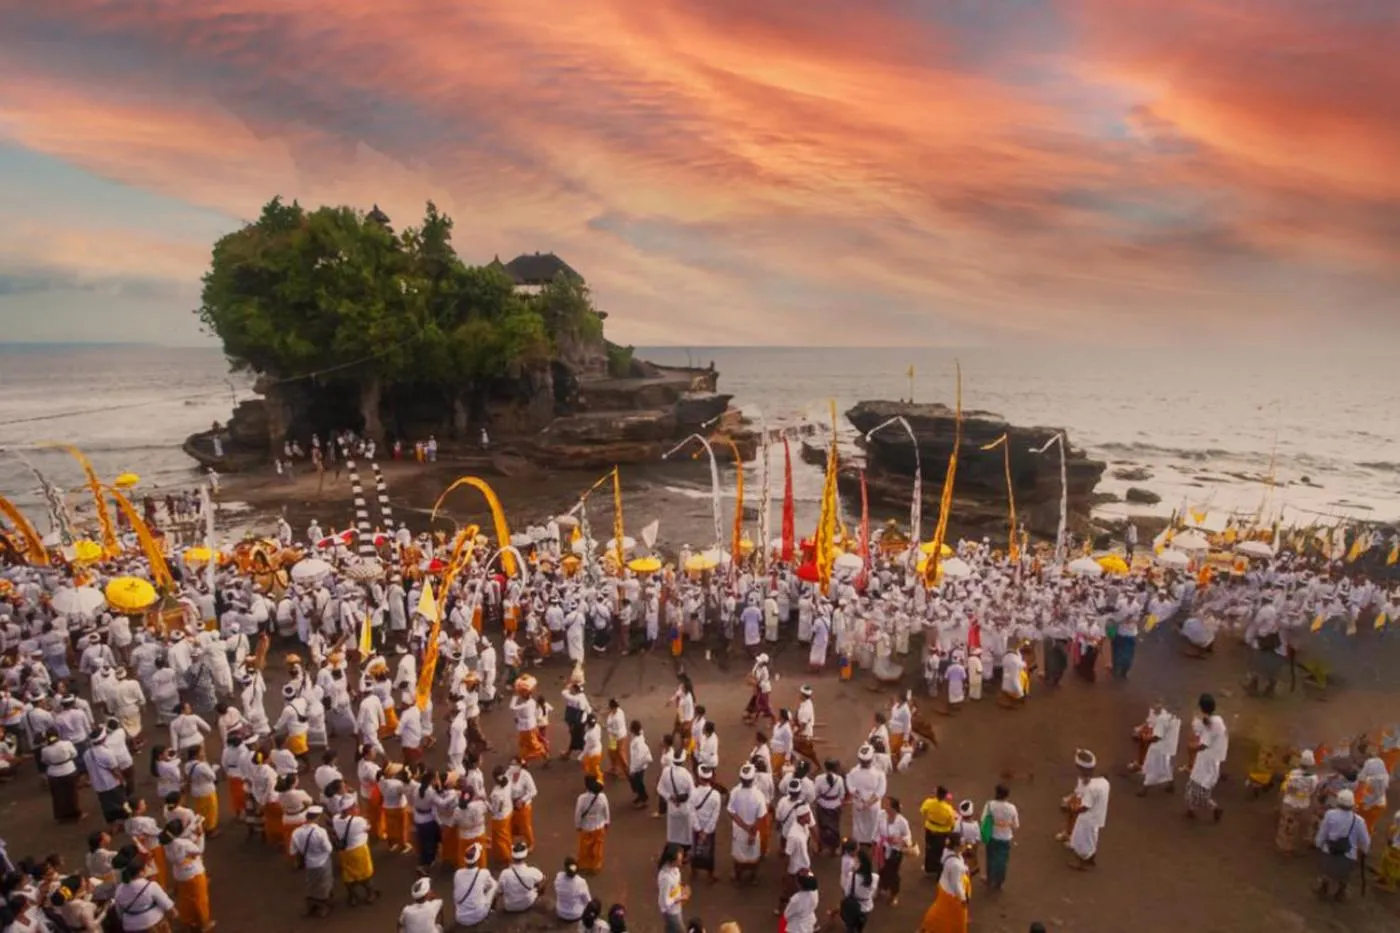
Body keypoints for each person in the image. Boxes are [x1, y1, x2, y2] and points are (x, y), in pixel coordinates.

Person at [1314, 789, 1370, 900]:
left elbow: (1323, 832)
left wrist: (1318, 843)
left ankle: (1323, 889)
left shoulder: (1330, 815)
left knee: (1326, 871)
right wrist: (1365, 850)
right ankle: (1341, 893)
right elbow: (1365, 840)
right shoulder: (1359, 821)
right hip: (1349, 854)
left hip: (1330, 850)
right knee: (1344, 876)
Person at [1061, 748, 1109, 870]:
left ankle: (1082, 864)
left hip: (1088, 819)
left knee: (1082, 842)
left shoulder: (1090, 787)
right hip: (1098, 815)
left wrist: (1069, 808)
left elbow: (1084, 807)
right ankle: (1091, 860)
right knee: (1092, 839)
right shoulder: (1102, 780)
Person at [1185, 694, 1227, 822]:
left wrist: (1192, 748)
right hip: (1209, 760)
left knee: (1199, 790)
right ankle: (1191, 809)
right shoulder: (1217, 720)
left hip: (1207, 761)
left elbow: (1203, 744)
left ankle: (1214, 808)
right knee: (1195, 787)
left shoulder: (1211, 724)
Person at [288, 805, 335, 917]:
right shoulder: (320, 832)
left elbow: (292, 851)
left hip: (309, 862)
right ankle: (322, 907)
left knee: (311, 883)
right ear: (317, 817)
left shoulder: (296, 832)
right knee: (324, 884)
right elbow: (329, 849)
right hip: (322, 861)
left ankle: (310, 904)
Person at [332, 803, 380, 907]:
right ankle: (370, 894)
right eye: (356, 807)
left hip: (344, 852)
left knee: (348, 876)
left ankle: (352, 896)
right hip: (359, 851)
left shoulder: (335, 819)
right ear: (350, 809)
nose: (358, 809)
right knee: (365, 875)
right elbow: (367, 827)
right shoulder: (358, 821)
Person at [111, 857, 176, 932]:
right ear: (141, 871)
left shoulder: (118, 890)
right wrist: (173, 912)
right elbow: (166, 904)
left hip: (131, 927)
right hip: (153, 923)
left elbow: (119, 912)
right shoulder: (151, 886)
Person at [919, 844, 971, 933]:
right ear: (956, 847)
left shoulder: (948, 853)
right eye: (962, 844)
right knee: (956, 916)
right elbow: (956, 884)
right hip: (952, 895)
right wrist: (963, 898)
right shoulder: (956, 865)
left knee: (939, 911)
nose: (964, 846)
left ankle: (927, 928)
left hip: (945, 889)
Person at [1276, 751, 1320, 855]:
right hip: (1303, 805)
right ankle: (1294, 847)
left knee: (1286, 825)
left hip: (1289, 804)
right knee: (1299, 826)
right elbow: (1313, 792)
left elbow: (1286, 788)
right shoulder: (1314, 778)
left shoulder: (1292, 773)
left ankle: (1284, 847)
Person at [38, 730, 83, 822]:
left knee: (58, 796)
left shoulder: (45, 749)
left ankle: (62, 816)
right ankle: (76, 814)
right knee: (72, 794)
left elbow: (44, 761)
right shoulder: (66, 744)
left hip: (53, 773)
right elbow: (74, 754)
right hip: (69, 770)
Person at [981, 785, 1019, 890]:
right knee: (1002, 860)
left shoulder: (989, 805)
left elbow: (983, 819)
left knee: (991, 859)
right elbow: (1016, 825)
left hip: (992, 836)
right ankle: (999, 882)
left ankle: (989, 879)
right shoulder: (1012, 808)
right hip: (1005, 837)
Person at [451, 844, 498, 928]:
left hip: (460, 917)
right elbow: (489, 886)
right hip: (478, 915)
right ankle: (491, 910)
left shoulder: (458, 873)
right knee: (494, 884)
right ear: (478, 859)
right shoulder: (484, 872)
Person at [877, 796, 912, 905]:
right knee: (881, 869)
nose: (884, 805)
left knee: (893, 873)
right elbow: (876, 831)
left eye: (887, 804)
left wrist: (899, 840)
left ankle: (894, 894)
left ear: (893, 808)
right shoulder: (881, 815)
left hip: (895, 850)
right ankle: (882, 886)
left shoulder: (902, 821)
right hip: (883, 847)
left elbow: (908, 836)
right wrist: (876, 844)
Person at [575, 776, 610, 873]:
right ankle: (595, 865)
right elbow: (606, 810)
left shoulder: (582, 798)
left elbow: (578, 813)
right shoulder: (603, 797)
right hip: (599, 825)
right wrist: (607, 821)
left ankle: (583, 864)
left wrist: (578, 825)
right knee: (598, 847)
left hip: (586, 826)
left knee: (584, 847)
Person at [499, 841, 545, 914]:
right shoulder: (532, 871)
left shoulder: (504, 873)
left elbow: (500, 891)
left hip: (509, 906)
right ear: (525, 856)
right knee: (542, 879)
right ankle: (538, 896)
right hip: (527, 903)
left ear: (513, 856)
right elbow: (543, 879)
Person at [919, 786, 956, 874]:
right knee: (940, 850)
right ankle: (938, 868)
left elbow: (922, 811)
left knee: (929, 848)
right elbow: (951, 823)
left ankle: (928, 867)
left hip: (930, 828)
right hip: (942, 832)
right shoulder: (948, 809)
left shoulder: (928, 802)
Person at [840, 849, 876, 932]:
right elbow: (872, 893)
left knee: (850, 926)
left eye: (856, 860)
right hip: (867, 907)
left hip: (853, 907)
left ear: (860, 863)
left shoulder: (852, 876)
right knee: (860, 927)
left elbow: (847, 892)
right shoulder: (875, 877)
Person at [656, 843, 689, 933]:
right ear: (671, 861)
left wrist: (681, 888)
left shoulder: (675, 869)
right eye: (678, 860)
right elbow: (665, 902)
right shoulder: (665, 878)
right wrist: (679, 898)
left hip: (676, 908)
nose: (680, 862)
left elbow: (675, 885)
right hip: (671, 911)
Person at [554, 857, 592, 925]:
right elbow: (588, 901)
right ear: (577, 868)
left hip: (560, 912)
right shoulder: (581, 882)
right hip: (576, 914)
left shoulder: (558, 877)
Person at [783, 869, 820, 933]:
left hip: (797, 928)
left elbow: (787, 915)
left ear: (799, 885)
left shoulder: (796, 899)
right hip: (809, 922)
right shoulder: (815, 891)